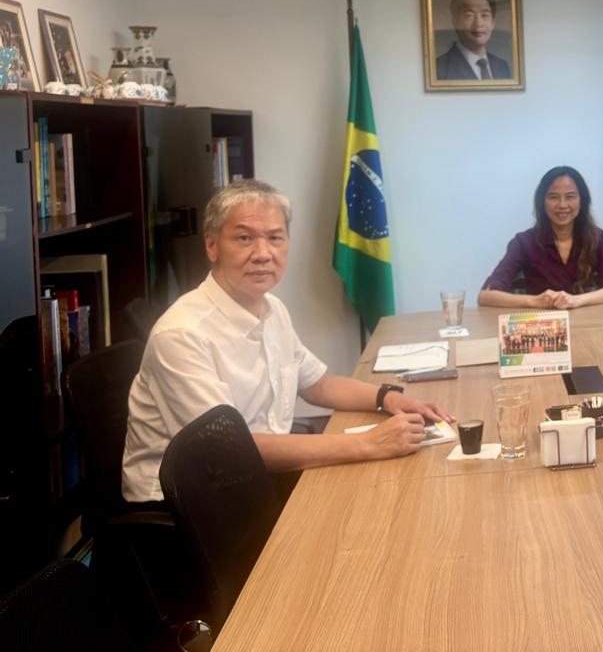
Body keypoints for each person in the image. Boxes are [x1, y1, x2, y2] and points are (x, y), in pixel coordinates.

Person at [121, 180, 454, 503]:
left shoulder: (272, 308)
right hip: (191, 504)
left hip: (257, 476)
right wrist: (368, 443)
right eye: (244, 238)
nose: (263, 254)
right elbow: (227, 450)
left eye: (275, 238)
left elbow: (317, 384)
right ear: (212, 245)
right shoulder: (182, 334)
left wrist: (390, 398)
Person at [478, 166, 603, 309]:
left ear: (582, 201)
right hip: (541, 321)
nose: (562, 205)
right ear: (542, 203)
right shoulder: (524, 242)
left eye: (570, 196)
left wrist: (576, 300)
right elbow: (486, 296)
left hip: (588, 321)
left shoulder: (597, 238)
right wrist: (534, 301)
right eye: (554, 197)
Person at [434, 0, 512, 80]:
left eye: (484, 15)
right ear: (455, 21)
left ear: (493, 23)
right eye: (469, 15)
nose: (478, 24)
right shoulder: (439, 68)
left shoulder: (502, 66)